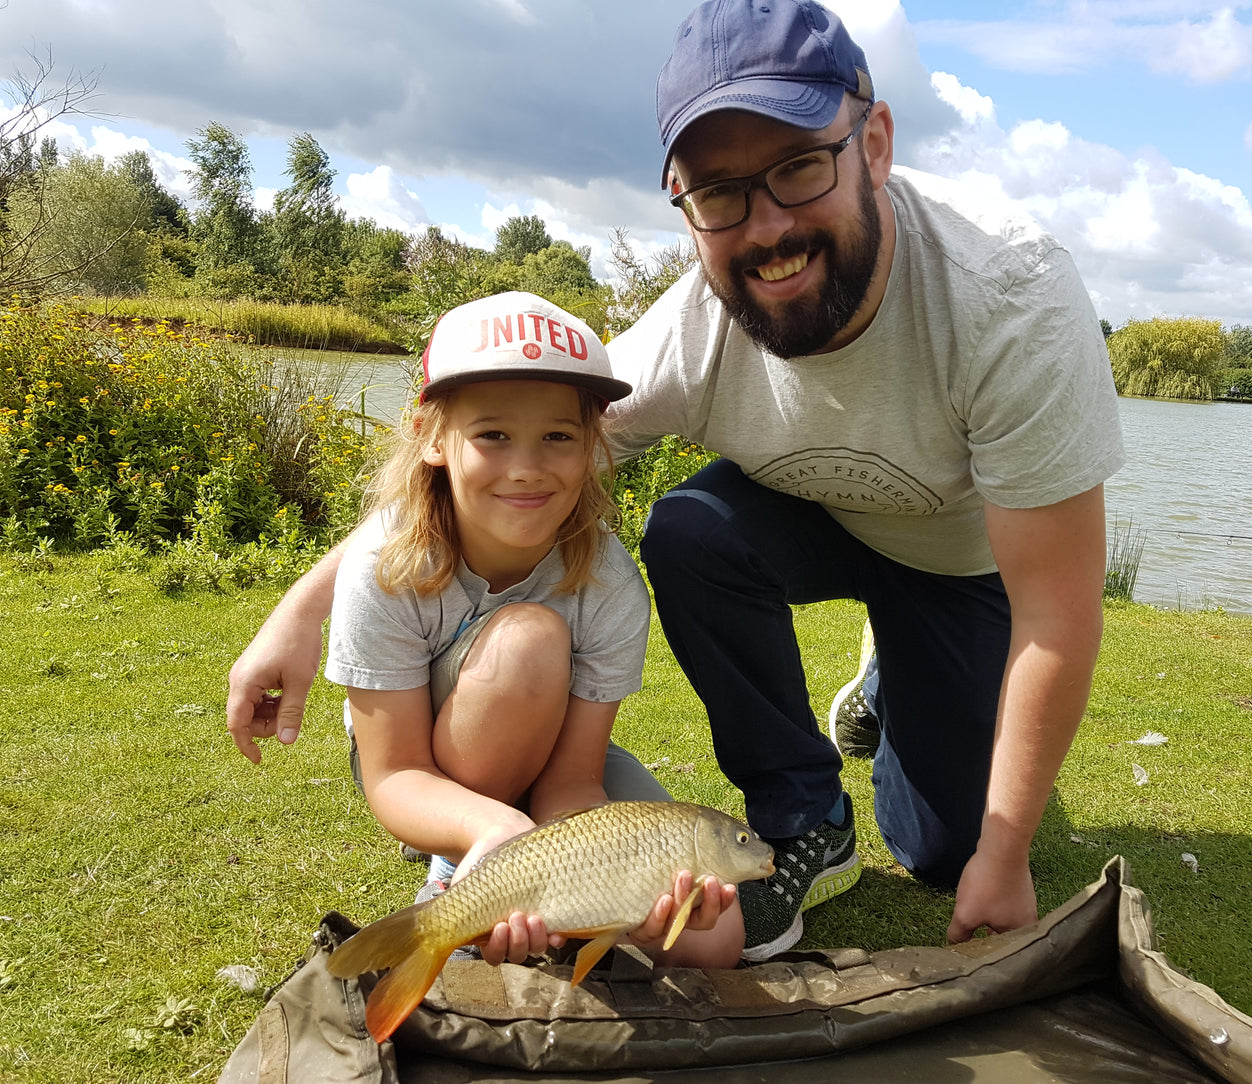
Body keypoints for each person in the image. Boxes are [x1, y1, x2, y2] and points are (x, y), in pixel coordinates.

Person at [228, 0, 1124, 962]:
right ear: (680, 201)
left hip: (959, 563)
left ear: (873, 144)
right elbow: (486, 468)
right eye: (718, 193)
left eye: (798, 167)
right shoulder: (687, 337)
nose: (766, 225)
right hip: (811, 521)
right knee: (689, 528)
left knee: (946, 850)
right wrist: (301, 608)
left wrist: (1007, 848)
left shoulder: (1009, 300)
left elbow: (1056, 616)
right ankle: (803, 816)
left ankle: (894, 674)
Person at [244, 290, 743, 971]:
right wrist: (496, 831)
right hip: (420, 765)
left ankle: (541, 906)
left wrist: (624, 902)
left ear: (594, 445)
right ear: (431, 438)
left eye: (559, 437)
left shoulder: (611, 583)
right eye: (493, 435)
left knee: (712, 938)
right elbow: (395, 774)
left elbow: (572, 781)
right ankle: (455, 873)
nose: (527, 466)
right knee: (528, 644)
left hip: (552, 760)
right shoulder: (382, 565)